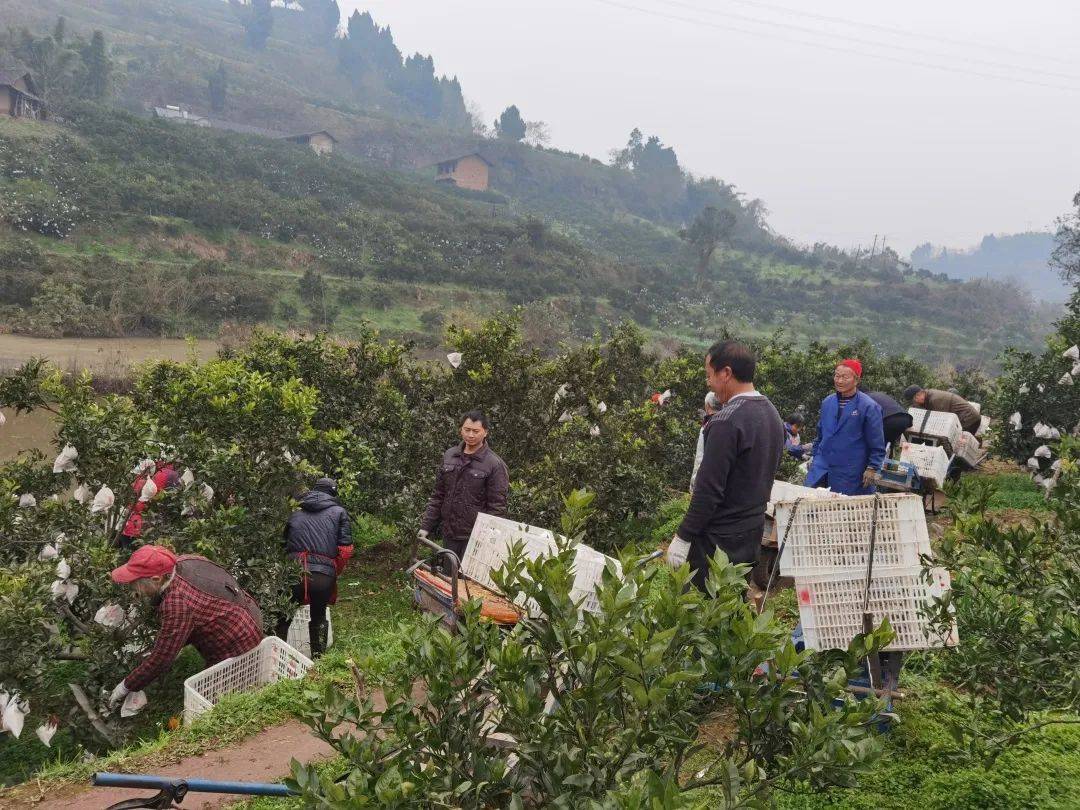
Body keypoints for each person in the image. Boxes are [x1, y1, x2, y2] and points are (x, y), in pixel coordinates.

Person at [675, 340, 785, 592]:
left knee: (699, 615)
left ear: (726, 373)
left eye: (709, 375)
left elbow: (708, 491)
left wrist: (683, 537)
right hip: (750, 533)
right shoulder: (771, 413)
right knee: (730, 608)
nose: (709, 382)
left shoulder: (726, 421)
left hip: (718, 543)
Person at [108, 545, 263, 707]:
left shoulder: (177, 603)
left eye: (136, 583)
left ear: (156, 579)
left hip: (239, 642)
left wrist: (125, 686)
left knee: (214, 703)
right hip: (248, 612)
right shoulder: (185, 561)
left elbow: (162, 658)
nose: (134, 589)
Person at [419, 410, 510, 562]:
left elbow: (497, 508)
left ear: (485, 432)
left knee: (466, 584)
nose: (471, 435)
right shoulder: (450, 456)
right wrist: (426, 526)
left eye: (476, 431)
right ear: (461, 429)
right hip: (449, 534)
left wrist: (487, 540)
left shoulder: (494, 464)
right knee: (449, 579)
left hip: (475, 538)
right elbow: (438, 496)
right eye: (467, 430)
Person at [277, 477, 353, 657]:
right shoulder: (339, 512)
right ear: (333, 493)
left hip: (294, 572)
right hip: (322, 576)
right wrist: (334, 571)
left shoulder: (295, 512)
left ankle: (277, 657)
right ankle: (318, 661)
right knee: (318, 616)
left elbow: (283, 545)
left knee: (283, 619)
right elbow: (346, 549)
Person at [806, 359, 886, 495]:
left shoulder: (868, 406)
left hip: (850, 470)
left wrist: (872, 467)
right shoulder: (827, 402)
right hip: (822, 466)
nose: (839, 381)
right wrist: (814, 456)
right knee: (813, 505)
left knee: (844, 509)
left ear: (856, 380)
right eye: (837, 376)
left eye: (845, 377)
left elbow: (877, 442)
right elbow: (820, 434)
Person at [903, 386, 981, 435]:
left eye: (915, 400)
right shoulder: (929, 396)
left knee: (957, 443)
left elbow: (941, 420)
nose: (916, 403)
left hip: (969, 419)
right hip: (967, 418)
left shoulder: (935, 399)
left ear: (919, 395)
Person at [690, 391, 721, 491]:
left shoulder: (707, 426)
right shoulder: (727, 422)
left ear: (707, 405)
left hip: (706, 484)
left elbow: (700, 457)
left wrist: (694, 483)